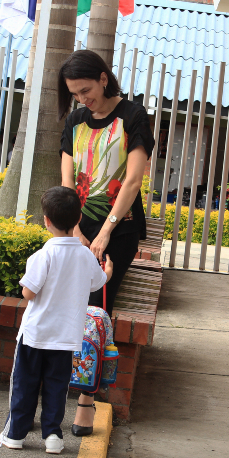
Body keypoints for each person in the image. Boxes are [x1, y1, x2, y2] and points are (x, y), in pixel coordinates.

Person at [57, 49, 154, 437]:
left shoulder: (133, 116)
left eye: (86, 90)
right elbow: (67, 181)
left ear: (102, 77)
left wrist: (104, 232)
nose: (83, 99)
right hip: (76, 229)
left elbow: (132, 181)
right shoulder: (76, 119)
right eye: (75, 94)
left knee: (97, 310)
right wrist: (75, 229)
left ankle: (86, 400)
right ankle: (54, 385)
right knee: (66, 306)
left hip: (118, 229)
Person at [0, 186, 113, 454]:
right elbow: (98, 282)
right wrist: (107, 271)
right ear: (78, 218)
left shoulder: (43, 255)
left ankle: (15, 434)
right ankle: (53, 436)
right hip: (65, 338)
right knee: (56, 387)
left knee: (24, 385)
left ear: (46, 220)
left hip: (35, 335)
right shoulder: (85, 256)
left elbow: (28, 293)